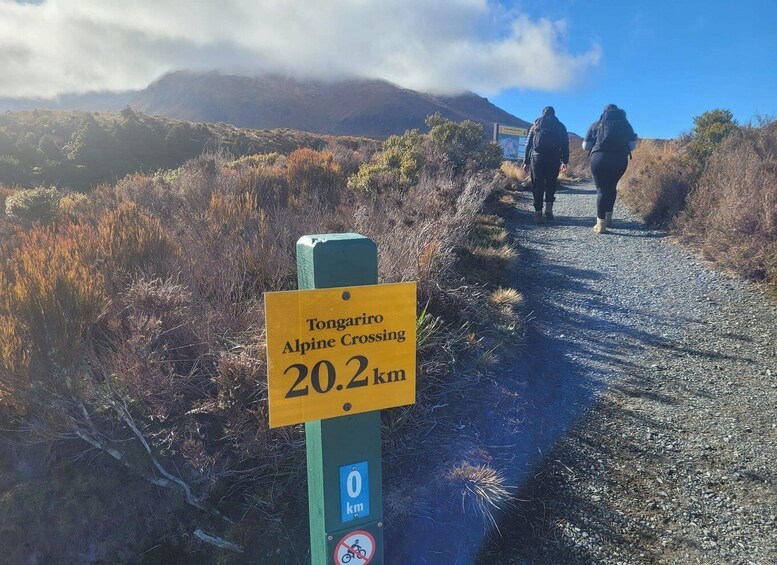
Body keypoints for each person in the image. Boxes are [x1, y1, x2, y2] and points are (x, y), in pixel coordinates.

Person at [583, 104, 638, 233]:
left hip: (599, 159)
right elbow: (632, 145)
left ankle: (600, 224)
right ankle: (609, 218)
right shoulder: (626, 125)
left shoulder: (596, 124)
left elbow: (585, 146)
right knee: (612, 186)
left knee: (601, 189)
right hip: (619, 160)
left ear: (604, 112)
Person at [523, 106, 569, 221]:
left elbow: (528, 144)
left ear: (542, 113)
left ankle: (538, 212)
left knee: (537, 184)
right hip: (554, 158)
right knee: (551, 183)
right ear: (554, 114)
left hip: (537, 158)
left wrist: (526, 162)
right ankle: (549, 209)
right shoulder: (560, 126)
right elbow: (565, 145)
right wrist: (564, 161)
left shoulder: (536, 125)